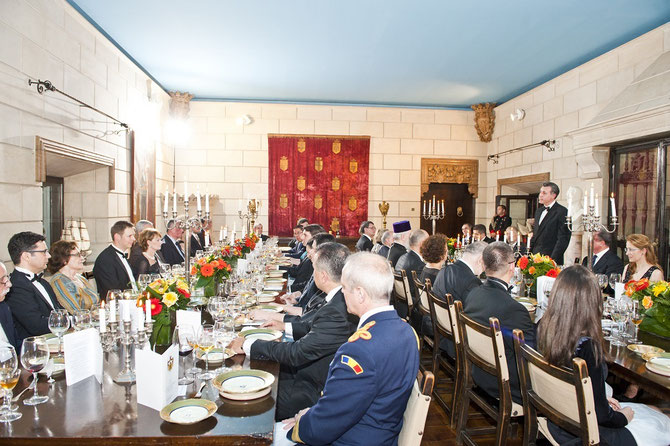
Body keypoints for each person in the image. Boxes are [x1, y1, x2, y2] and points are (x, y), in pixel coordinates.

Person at [281, 252, 419, 445]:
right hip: (382, 432)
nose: (342, 293)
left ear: (361, 294)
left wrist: (303, 420)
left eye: (345, 287)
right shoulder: (408, 332)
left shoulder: (359, 350)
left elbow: (323, 427)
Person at [539, 265, 670, 446]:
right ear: (592, 302)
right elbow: (602, 417)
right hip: (589, 433)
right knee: (663, 424)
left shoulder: (543, 327)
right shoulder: (587, 347)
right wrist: (623, 417)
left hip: (560, 419)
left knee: (654, 411)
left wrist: (596, 397)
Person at [229, 243, 357, 421]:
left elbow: (297, 353)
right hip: (311, 372)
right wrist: (284, 326)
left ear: (323, 276)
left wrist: (249, 344)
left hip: (311, 388)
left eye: (313, 269)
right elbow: (313, 328)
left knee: (242, 397)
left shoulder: (338, 308)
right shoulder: (338, 297)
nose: (312, 274)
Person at [463, 242, 536, 404]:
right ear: (512, 267)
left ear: (484, 264)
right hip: (504, 383)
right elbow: (532, 355)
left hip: (479, 371)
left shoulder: (473, 294)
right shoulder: (514, 310)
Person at [6, 232, 63, 341]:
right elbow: (36, 325)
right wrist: (71, 320)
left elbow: (60, 311)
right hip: (36, 349)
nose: (49, 256)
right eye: (44, 252)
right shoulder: (15, 287)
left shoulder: (43, 283)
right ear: (26, 256)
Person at [47, 241, 99, 314]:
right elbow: (76, 312)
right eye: (77, 255)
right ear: (64, 260)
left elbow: (97, 303)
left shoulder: (80, 278)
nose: (82, 258)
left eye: (81, 254)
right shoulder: (59, 281)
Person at [93, 221, 137, 300]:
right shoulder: (106, 260)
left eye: (133, 235)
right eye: (130, 236)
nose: (134, 239)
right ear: (117, 237)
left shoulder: (121, 255)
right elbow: (113, 291)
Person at [529, 181, 571, 264]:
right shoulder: (539, 211)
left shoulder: (562, 211)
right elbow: (536, 235)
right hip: (535, 257)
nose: (540, 195)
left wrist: (552, 260)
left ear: (553, 195)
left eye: (544, 193)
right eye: (540, 192)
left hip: (551, 259)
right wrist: (529, 254)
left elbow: (563, 239)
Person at [395, 229, 428, 322]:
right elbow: (420, 292)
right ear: (422, 243)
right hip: (412, 309)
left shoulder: (403, 257)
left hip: (401, 303)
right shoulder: (418, 265)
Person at [0, 263, 21, 352]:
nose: (9, 284)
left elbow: (16, 344)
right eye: (2, 280)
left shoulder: (4, 307)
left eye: (7, 278)